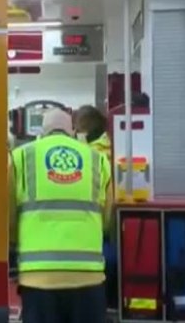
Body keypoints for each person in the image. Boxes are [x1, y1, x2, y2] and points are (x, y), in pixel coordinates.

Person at [8, 108, 113, 323]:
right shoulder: (98, 159)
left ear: (41, 132)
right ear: (73, 131)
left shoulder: (20, 157)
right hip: (88, 276)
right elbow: (107, 217)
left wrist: (16, 243)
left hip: (38, 279)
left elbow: (8, 216)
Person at [74, 105, 117, 309]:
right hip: (111, 220)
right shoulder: (111, 146)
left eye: (77, 128)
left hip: (96, 222)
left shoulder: (89, 154)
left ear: (86, 130)